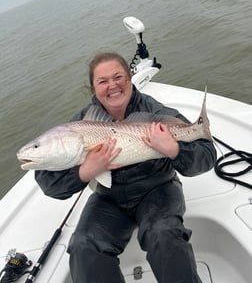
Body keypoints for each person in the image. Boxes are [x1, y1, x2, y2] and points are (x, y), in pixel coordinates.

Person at [35, 52, 216, 283]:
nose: (112, 86)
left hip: (157, 189)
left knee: (164, 234)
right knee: (84, 246)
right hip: (110, 199)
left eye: (118, 77)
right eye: (102, 81)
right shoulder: (79, 126)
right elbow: (47, 181)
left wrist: (174, 149)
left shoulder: (155, 112)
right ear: (93, 88)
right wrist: (86, 171)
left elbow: (207, 154)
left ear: (130, 78)